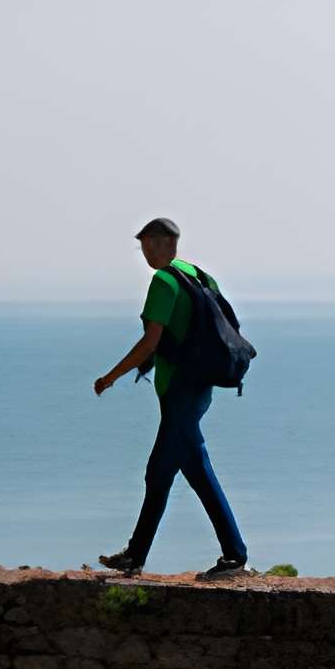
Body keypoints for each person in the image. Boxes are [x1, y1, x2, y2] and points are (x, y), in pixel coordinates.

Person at [92, 216, 252, 579]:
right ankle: (135, 556)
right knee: (168, 473)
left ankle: (234, 556)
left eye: (148, 244)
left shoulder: (163, 281)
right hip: (200, 387)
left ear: (164, 243)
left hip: (180, 390)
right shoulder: (197, 275)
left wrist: (110, 377)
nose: (145, 252)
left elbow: (151, 341)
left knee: (186, 473)